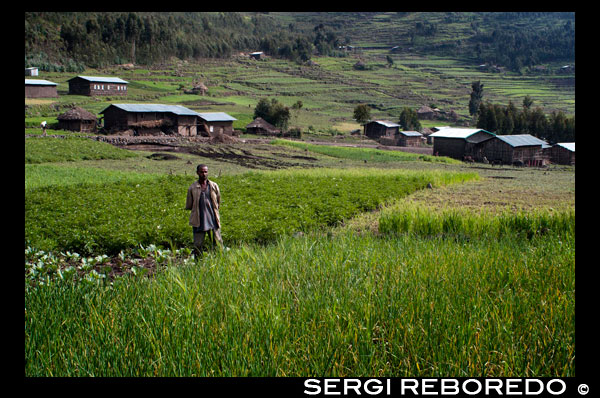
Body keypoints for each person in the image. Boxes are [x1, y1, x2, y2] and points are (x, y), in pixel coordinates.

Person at [185, 164, 223, 253]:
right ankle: (198, 264)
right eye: (202, 172)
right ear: (197, 173)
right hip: (199, 220)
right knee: (198, 245)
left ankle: (220, 260)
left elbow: (218, 201)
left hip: (213, 219)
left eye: (205, 172)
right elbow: (189, 205)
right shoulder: (192, 187)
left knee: (218, 242)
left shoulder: (213, 186)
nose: (204, 174)